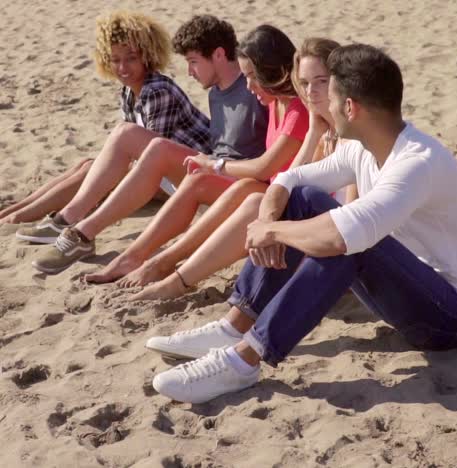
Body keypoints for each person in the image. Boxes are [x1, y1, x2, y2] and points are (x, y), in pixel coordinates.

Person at [149, 43, 457, 404]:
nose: (324, 107)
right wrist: (268, 217)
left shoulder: (416, 162)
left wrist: (270, 231)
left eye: (330, 97)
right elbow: (290, 181)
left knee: (347, 239)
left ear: (350, 107)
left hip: (450, 317)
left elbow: (338, 236)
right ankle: (232, 327)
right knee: (305, 202)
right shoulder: (364, 146)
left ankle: (243, 360)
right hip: (404, 291)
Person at [20, 15, 268, 273]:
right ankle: (59, 222)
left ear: (218, 55)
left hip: (235, 183)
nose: (189, 72)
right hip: (209, 173)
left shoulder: (254, 90)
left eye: (193, 62)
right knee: (110, 148)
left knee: (143, 143)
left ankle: (79, 229)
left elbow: (273, 157)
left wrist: (217, 165)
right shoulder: (217, 92)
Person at [125, 37, 358, 300]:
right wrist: (315, 132)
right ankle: (169, 269)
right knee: (250, 199)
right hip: (314, 234)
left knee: (252, 200)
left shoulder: (352, 138)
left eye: (321, 81)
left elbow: (351, 225)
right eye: (304, 83)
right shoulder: (322, 132)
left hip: (341, 250)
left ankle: (174, 275)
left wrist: (271, 225)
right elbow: (290, 180)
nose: (311, 91)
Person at [80, 24, 309, 285]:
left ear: (272, 71)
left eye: (253, 77)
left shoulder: (294, 109)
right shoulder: (273, 102)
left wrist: (215, 164)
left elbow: (264, 168)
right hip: (259, 186)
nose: (249, 85)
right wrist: (212, 165)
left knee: (203, 173)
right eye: (246, 77)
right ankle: (135, 257)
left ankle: (164, 264)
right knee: (197, 179)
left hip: (274, 193)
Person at [6, 11, 211, 229]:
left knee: (92, 171)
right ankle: (16, 210)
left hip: (189, 174)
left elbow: (153, 159)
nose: (123, 68)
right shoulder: (129, 92)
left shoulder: (157, 91)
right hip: (168, 175)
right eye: (115, 60)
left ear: (147, 56)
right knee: (86, 165)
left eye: (131, 59)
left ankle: (18, 218)